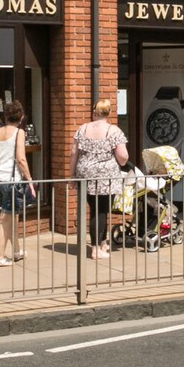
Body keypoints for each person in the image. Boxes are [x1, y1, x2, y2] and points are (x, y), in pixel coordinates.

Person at [71, 98, 129, 261]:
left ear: (94, 112)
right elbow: (123, 156)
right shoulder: (114, 130)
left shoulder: (82, 129)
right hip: (105, 176)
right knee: (101, 211)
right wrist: (122, 162)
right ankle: (96, 249)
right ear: (109, 113)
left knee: (94, 208)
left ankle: (103, 242)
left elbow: (73, 153)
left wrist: (71, 174)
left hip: (85, 174)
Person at [0, 102, 35, 267]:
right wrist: (29, 180)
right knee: (6, 218)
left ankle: (16, 250)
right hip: (11, 179)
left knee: (12, 214)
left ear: (5, 116)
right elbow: (21, 158)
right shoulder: (19, 132)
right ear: (21, 117)